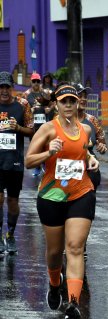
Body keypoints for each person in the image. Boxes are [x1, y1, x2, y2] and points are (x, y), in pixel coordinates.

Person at [25, 83, 99, 319]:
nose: (68, 105)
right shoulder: (48, 129)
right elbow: (28, 161)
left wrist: (91, 158)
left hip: (81, 193)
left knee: (75, 247)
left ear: (77, 104)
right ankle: (55, 284)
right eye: (63, 101)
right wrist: (48, 153)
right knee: (55, 253)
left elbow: (81, 152)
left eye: (72, 101)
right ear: (56, 104)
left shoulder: (85, 129)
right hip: (51, 197)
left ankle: (74, 302)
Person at [0, 71, 34, 255]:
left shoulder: (22, 105)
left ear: (12, 87)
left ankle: (10, 235)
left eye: (7, 86)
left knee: (13, 201)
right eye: (1, 87)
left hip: (14, 162)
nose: (4, 90)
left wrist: (18, 128)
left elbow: (31, 131)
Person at [74, 82, 107, 190]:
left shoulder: (92, 120)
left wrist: (102, 147)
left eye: (85, 96)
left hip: (90, 167)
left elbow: (103, 144)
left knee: (88, 202)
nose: (83, 99)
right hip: (68, 167)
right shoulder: (61, 120)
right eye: (80, 96)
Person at [22, 72, 51, 176]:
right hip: (33, 125)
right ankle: (37, 167)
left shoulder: (44, 92)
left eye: (38, 81)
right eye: (34, 81)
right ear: (31, 82)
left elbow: (53, 103)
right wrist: (30, 111)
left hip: (44, 124)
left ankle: (44, 164)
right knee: (35, 146)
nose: (36, 83)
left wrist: (49, 109)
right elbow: (22, 107)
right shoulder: (26, 94)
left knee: (44, 145)